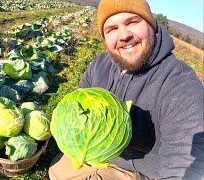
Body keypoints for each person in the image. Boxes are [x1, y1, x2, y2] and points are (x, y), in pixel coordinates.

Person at [48, 0, 204, 179]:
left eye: (133, 22)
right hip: (96, 154)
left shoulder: (180, 83)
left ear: (151, 26)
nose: (123, 35)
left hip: (137, 172)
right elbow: (73, 109)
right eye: (112, 29)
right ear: (104, 36)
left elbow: (188, 164)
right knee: (55, 169)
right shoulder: (100, 63)